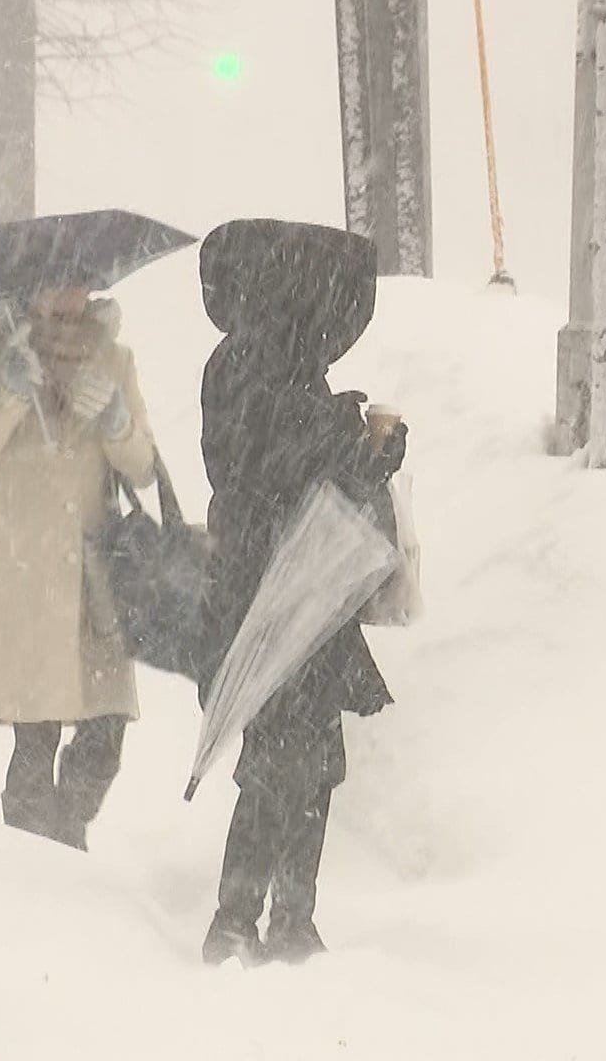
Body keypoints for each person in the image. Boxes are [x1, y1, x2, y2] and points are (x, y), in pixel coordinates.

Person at [195, 220, 409, 965]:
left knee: (313, 761)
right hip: (267, 586)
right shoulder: (245, 362)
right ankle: (236, 915)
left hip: (310, 586)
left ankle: (292, 915)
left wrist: (368, 453)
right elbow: (262, 456)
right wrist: (343, 436)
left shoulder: (297, 370)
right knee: (277, 758)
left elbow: (315, 466)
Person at [0, 287, 157, 850]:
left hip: (95, 575)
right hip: (22, 573)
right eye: (54, 282)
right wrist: (8, 396)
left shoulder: (114, 357)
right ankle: (33, 860)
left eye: (77, 282)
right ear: (30, 286)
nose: (68, 296)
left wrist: (116, 422)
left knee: (105, 731)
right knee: (33, 736)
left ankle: (65, 831)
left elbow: (143, 468)